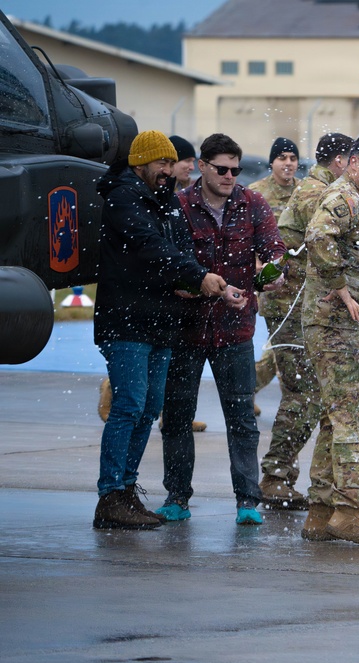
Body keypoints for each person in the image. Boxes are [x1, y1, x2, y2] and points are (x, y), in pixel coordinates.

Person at [92, 130, 228, 529]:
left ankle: (127, 491)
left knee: (150, 409)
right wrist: (196, 275)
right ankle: (110, 495)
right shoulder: (123, 199)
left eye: (171, 164)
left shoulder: (166, 202)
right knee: (129, 405)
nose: (168, 171)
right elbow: (150, 246)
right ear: (140, 164)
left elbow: (182, 251)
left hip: (161, 321)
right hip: (127, 320)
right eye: (161, 164)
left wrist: (195, 283)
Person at [157, 133, 287, 526]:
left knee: (242, 418)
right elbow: (168, 264)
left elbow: (275, 248)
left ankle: (247, 500)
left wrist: (273, 271)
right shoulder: (178, 207)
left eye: (236, 169)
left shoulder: (253, 204)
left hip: (235, 330)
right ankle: (177, 497)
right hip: (186, 329)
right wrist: (201, 287)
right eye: (223, 169)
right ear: (202, 166)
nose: (231, 176)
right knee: (178, 418)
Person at [299, 134, 359, 546]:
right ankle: (350, 512)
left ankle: (320, 514)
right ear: (353, 162)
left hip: (333, 322)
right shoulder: (346, 197)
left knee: (333, 416)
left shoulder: (352, 195)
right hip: (336, 324)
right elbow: (318, 237)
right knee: (358, 415)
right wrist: (340, 288)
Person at [256, 132, 353, 510]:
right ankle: (276, 476)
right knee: (304, 393)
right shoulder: (317, 193)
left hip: (298, 304)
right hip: (289, 305)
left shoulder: (317, 186)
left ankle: (280, 475)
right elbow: (329, 246)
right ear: (341, 160)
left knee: (304, 392)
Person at [250, 137, 301, 408]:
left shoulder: (304, 193)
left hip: (302, 286)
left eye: (293, 158)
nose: (288, 163)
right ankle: (292, 409)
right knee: (284, 349)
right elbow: (245, 236)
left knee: (283, 349)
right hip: (273, 287)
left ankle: (247, 391)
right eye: (282, 158)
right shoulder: (256, 194)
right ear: (272, 162)